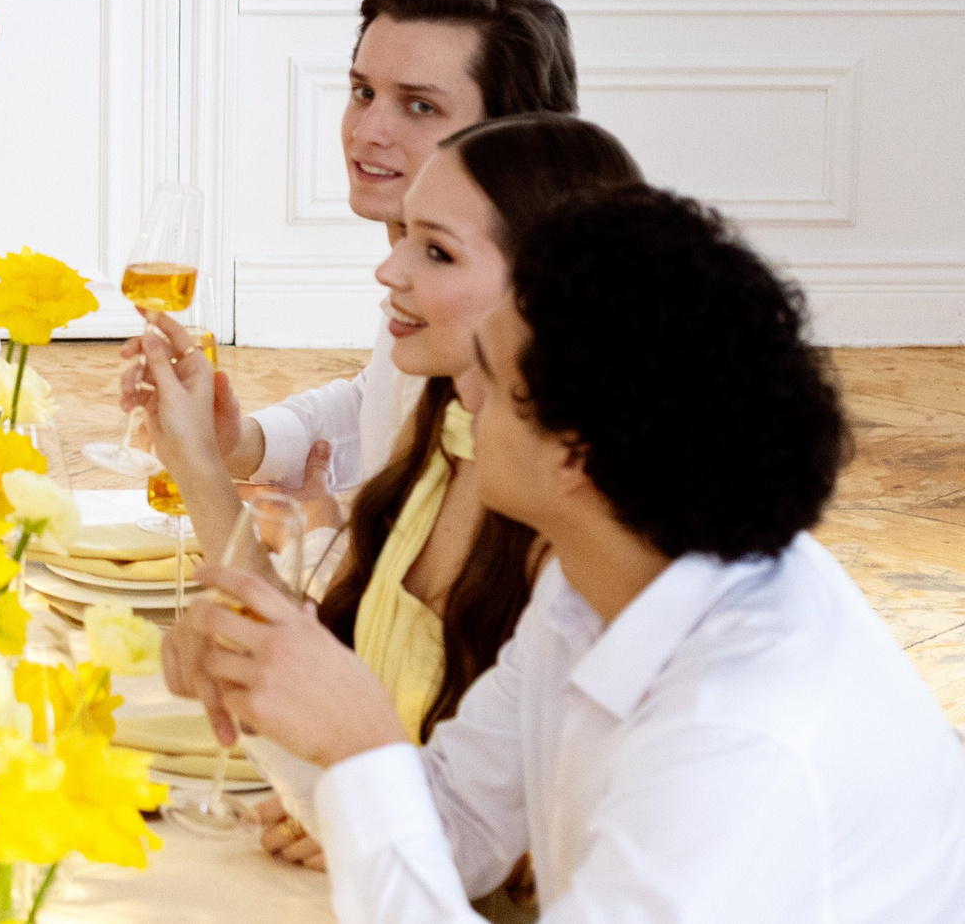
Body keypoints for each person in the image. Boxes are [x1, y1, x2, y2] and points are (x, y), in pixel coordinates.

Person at [178, 186, 965, 922]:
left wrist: (361, 740)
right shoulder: (595, 581)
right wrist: (269, 677)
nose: (465, 397)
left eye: (487, 372)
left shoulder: (733, 743)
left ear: (575, 454)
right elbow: (451, 825)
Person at [149, 113, 641, 876]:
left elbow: (499, 841)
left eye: (437, 250)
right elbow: (438, 795)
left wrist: (364, 794)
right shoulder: (442, 435)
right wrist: (198, 462)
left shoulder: (573, 538)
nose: (389, 272)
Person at [127, 0, 578, 502]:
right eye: (363, 92)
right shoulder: (425, 277)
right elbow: (378, 405)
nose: (366, 133)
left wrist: (313, 530)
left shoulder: (519, 329)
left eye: (420, 105)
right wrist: (241, 441)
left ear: (511, 138)